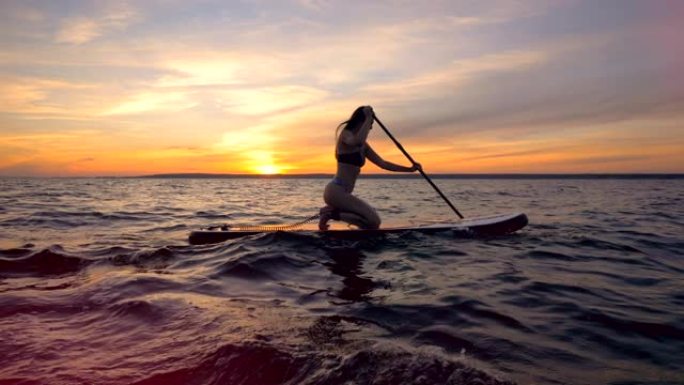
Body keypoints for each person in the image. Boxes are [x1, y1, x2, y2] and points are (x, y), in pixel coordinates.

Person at [319, 105, 422, 230]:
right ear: (362, 121)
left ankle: (332, 213)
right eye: (370, 123)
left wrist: (410, 169)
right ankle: (329, 214)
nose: (371, 127)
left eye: (371, 123)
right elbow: (357, 141)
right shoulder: (346, 135)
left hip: (343, 193)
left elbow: (383, 164)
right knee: (374, 222)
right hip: (335, 192)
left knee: (371, 224)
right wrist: (368, 117)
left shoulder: (364, 146)